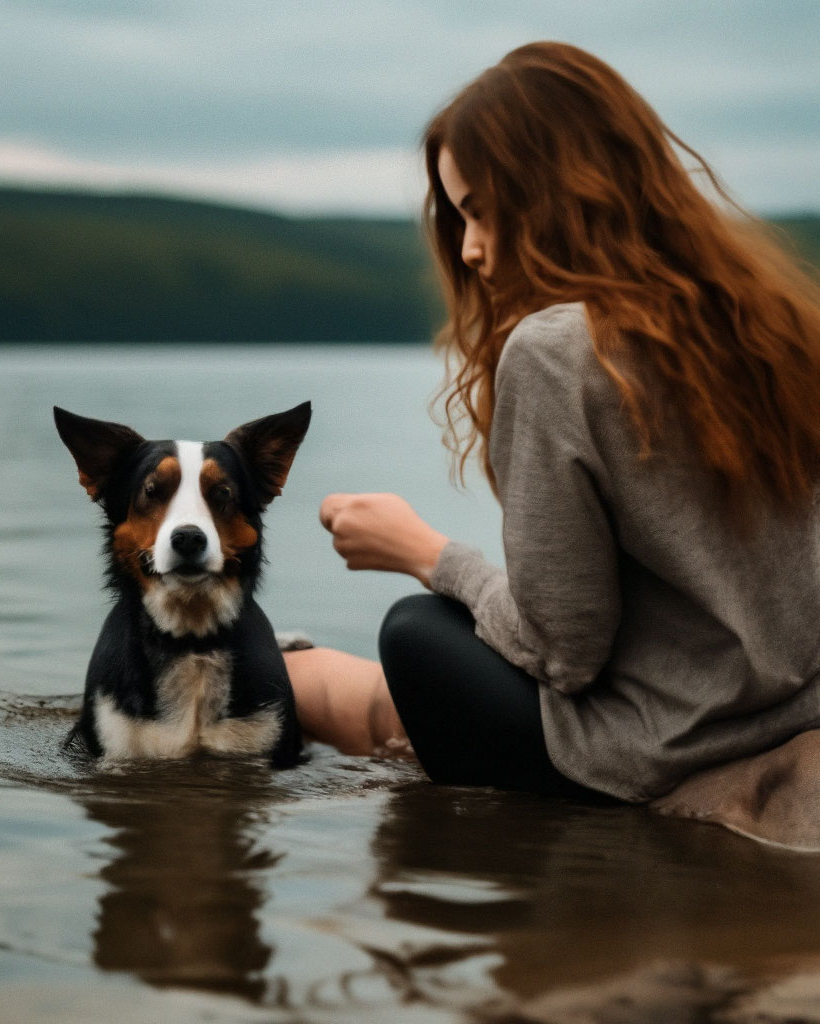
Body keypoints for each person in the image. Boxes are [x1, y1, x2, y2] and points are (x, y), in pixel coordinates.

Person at [284, 41, 820, 803]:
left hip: (657, 751)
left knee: (415, 631)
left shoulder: (556, 351)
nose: (467, 250)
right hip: (795, 707)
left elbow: (563, 652)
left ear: (551, 194)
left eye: (477, 212)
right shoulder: (769, 322)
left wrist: (428, 555)